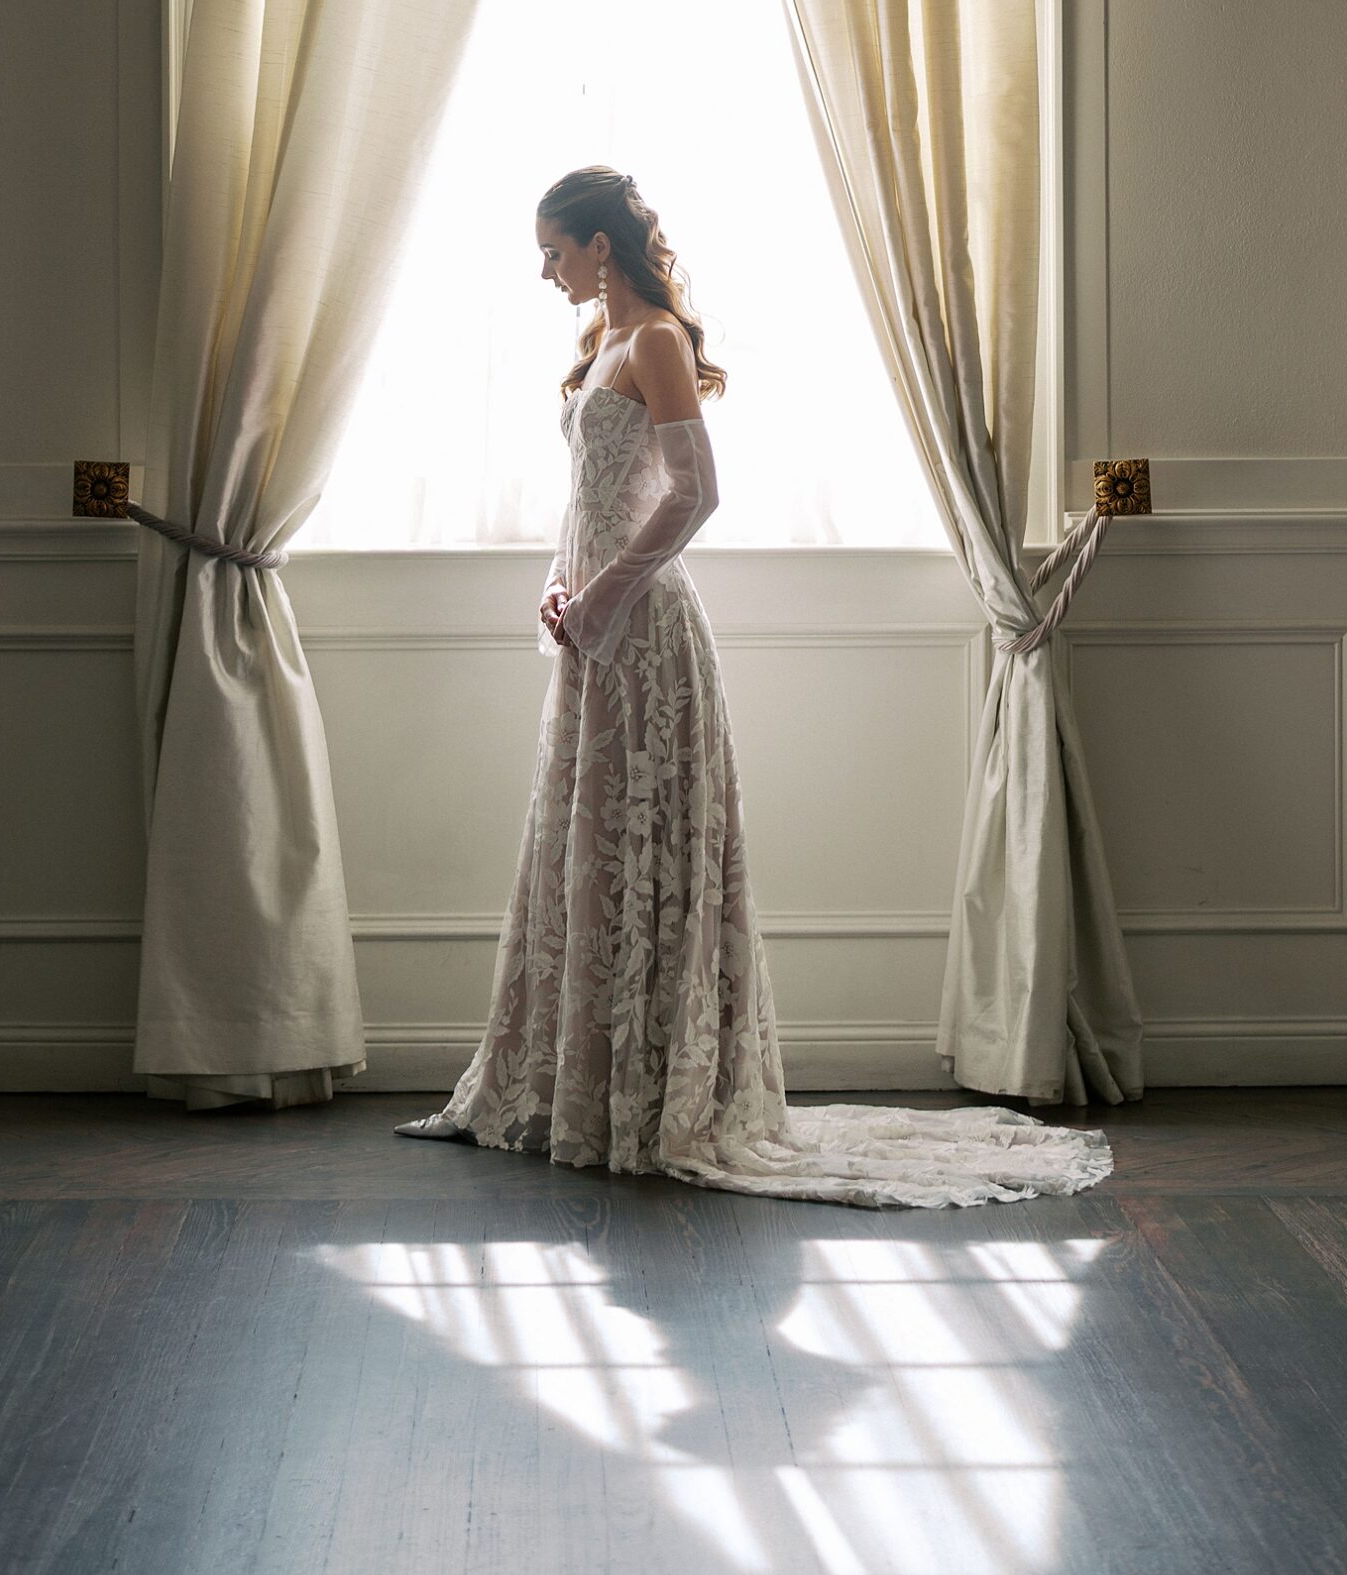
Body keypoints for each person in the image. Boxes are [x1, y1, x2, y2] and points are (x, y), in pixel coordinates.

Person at [396, 166, 1112, 1209]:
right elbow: (591, 497)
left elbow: (697, 491)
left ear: (602, 246)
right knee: (590, 851)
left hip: (645, 639)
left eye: (554, 249)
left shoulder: (656, 344)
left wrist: (602, 599)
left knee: (649, 850)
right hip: (595, 633)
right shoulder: (598, 349)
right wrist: (558, 588)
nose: (545, 270)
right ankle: (584, 1093)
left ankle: (657, 1101)